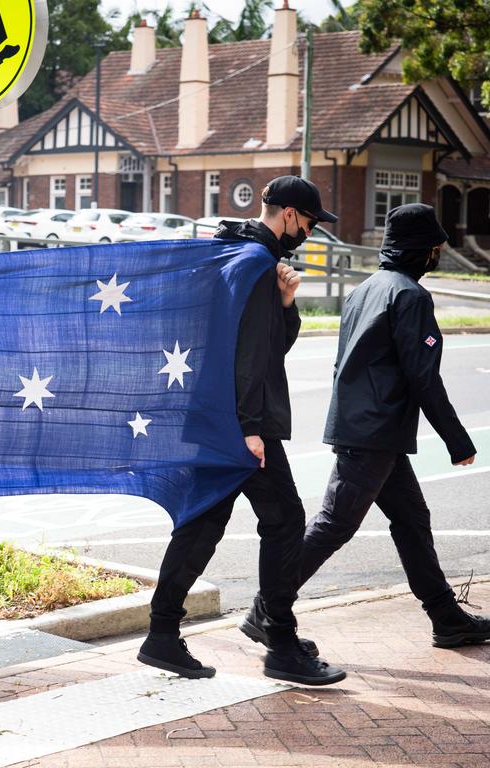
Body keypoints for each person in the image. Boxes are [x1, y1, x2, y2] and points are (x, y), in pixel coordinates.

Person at [242, 203, 489, 650]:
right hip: (374, 433)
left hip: (368, 428)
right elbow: (423, 376)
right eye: (435, 248)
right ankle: (267, 608)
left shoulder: (365, 288)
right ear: (424, 251)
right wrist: (457, 440)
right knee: (333, 525)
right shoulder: (410, 296)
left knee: (412, 520)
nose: (436, 256)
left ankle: (446, 617)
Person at [137, 176, 346, 686]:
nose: (312, 232)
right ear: (292, 215)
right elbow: (251, 354)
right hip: (240, 421)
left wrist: (287, 303)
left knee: (204, 522)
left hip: (213, 413)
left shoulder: (236, 253)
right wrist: (251, 429)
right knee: (285, 521)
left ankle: (162, 635)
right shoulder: (254, 262)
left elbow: (267, 341)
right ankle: (280, 642)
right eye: (311, 223)